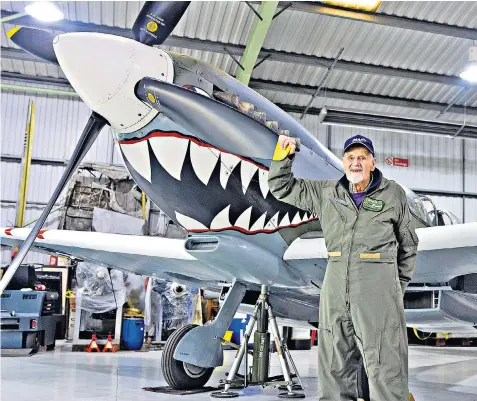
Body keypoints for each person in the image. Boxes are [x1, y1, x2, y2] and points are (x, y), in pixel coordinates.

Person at [268, 134, 419, 401]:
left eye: (362, 157)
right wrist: (283, 156)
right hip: (335, 284)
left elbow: (408, 244)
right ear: (343, 162)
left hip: (377, 287)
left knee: (385, 366)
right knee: (334, 365)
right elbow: (282, 187)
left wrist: (395, 287)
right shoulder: (326, 192)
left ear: (373, 162)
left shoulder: (393, 193)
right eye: (350, 157)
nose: (356, 162)